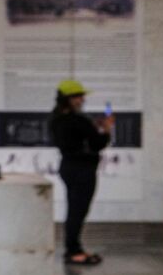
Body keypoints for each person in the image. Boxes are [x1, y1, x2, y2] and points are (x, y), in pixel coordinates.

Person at [48, 80, 114, 265]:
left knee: (74, 209)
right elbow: (97, 143)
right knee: (78, 211)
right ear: (68, 98)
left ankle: (73, 248)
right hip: (82, 169)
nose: (82, 99)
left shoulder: (56, 118)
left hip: (69, 167)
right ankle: (73, 251)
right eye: (78, 96)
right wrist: (107, 129)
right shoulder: (78, 120)